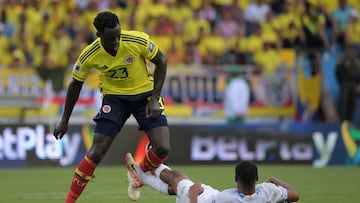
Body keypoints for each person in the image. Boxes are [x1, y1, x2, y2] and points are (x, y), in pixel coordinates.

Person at [53, 11, 170, 202]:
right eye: (110, 38)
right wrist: (64, 120)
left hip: (145, 96)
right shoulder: (90, 54)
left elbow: (161, 60)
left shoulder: (136, 40)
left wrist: (155, 98)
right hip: (115, 99)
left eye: (118, 35)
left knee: (163, 148)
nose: (116, 41)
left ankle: (137, 173)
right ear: (99, 35)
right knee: (97, 150)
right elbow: (75, 83)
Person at [125, 152, 299, 203]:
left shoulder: (227, 199)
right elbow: (294, 195)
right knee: (174, 189)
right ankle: (140, 180)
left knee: (175, 177)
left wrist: (193, 194)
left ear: (236, 178)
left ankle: (141, 174)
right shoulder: (268, 193)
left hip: (199, 200)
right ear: (256, 178)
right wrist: (274, 184)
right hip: (211, 194)